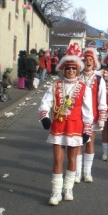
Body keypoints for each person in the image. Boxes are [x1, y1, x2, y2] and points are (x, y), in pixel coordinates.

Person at [38, 43, 93, 206]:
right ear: (63, 69)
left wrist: (87, 130)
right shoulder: (55, 86)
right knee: (57, 159)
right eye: (68, 68)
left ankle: (68, 188)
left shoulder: (84, 88)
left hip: (75, 127)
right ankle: (56, 191)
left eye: (73, 68)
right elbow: (45, 103)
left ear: (77, 70)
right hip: (58, 127)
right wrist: (44, 117)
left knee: (72, 159)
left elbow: (88, 111)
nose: (70, 71)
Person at [75, 47, 107, 183]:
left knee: (89, 142)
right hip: (77, 115)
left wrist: (102, 117)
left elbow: (102, 98)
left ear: (94, 63)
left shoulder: (99, 79)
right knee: (77, 144)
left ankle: (87, 172)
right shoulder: (77, 77)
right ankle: (76, 172)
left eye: (90, 60)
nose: (88, 61)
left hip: (92, 116)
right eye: (85, 59)